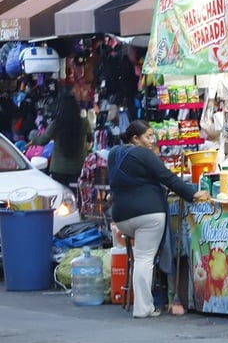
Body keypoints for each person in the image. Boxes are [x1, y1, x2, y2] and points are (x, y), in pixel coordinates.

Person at [108, 120, 210, 319]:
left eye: (152, 136)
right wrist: (192, 194)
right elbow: (167, 177)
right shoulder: (144, 154)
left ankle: (142, 304)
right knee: (144, 259)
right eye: (148, 136)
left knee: (139, 258)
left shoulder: (113, 154)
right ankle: (143, 308)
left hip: (121, 217)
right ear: (135, 138)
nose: (151, 140)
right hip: (148, 215)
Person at [29, 93, 89, 188]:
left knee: (61, 198)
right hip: (78, 168)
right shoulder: (84, 123)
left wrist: (33, 135)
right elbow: (90, 138)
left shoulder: (56, 124)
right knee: (76, 197)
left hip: (58, 169)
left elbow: (42, 141)